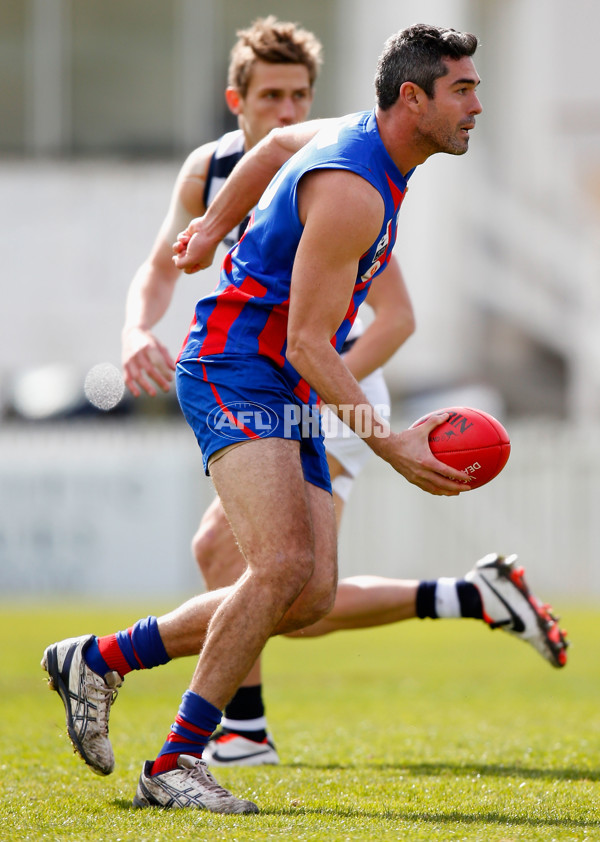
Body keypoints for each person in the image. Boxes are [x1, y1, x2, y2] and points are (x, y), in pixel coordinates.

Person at [42, 24, 568, 815]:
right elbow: (309, 343)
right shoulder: (354, 189)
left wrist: (215, 227)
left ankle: (100, 658)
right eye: (463, 90)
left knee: (312, 593)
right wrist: (389, 443)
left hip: (281, 380)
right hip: (236, 367)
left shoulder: (362, 142)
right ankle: (177, 760)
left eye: (477, 88)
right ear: (412, 99)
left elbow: (277, 139)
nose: (477, 106)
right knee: (281, 566)